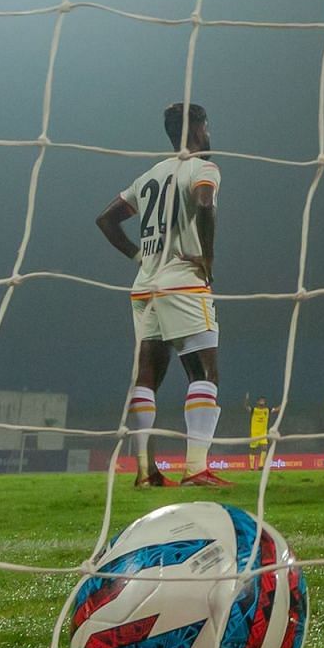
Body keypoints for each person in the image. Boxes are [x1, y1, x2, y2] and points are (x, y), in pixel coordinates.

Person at [95, 102, 228, 488]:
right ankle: (196, 469)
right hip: (184, 281)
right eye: (208, 126)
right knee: (204, 371)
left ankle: (144, 471)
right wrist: (207, 258)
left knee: (147, 376)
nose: (209, 134)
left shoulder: (150, 175)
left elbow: (105, 220)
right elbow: (205, 203)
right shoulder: (204, 169)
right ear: (199, 128)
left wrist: (140, 256)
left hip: (145, 287)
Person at [246, 394, 280, 470]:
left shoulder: (267, 410)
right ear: (257, 402)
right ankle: (251, 467)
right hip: (254, 434)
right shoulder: (254, 410)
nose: (262, 402)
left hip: (263, 434)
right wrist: (246, 400)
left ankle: (261, 465)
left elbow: (277, 409)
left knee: (264, 447)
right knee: (252, 450)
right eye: (261, 400)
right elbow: (246, 407)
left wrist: (283, 404)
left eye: (263, 400)